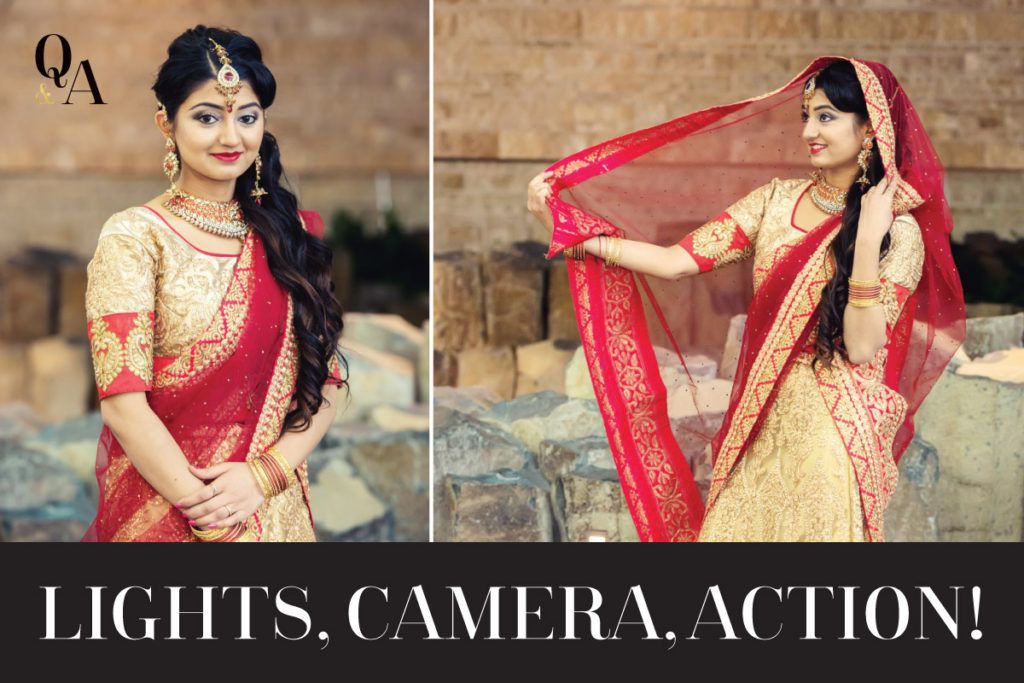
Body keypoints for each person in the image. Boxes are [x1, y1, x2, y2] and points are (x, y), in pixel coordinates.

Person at [526, 57, 965, 542]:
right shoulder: (774, 201)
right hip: (760, 415)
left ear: (869, 131)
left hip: (831, 432)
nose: (808, 132)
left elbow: (862, 349)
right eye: (806, 116)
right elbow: (675, 262)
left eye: (826, 116)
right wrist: (572, 235)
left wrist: (863, 244)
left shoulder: (898, 232)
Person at [81, 26, 347, 542]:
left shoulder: (286, 236)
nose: (231, 138)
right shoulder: (135, 236)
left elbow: (330, 380)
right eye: (207, 117)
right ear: (167, 122)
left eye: (247, 118)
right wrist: (210, 514)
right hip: (169, 508)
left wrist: (264, 476)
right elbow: (121, 401)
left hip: (272, 505)